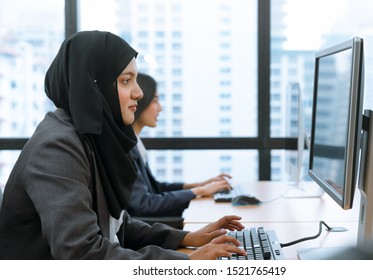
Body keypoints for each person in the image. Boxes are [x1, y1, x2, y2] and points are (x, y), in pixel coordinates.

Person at [0, 30, 246, 260]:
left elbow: (116, 224)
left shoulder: (90, 136)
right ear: (93, 87)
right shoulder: (57, 147)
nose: (139, 92)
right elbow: (81, 252)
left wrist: (187, 238)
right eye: (126, 80)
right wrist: (184, 261)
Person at [128, 73, 232, 218]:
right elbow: (144, 204)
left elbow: (155, 188)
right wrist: (200, 191)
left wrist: (199, 185)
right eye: (155, 100)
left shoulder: (135, 143)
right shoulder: (126, 147)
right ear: (139, 101)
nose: (160, 108)